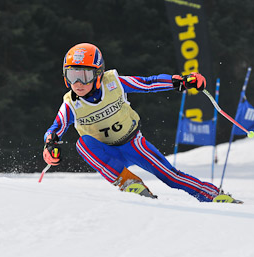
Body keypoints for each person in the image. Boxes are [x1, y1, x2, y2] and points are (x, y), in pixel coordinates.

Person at [43, 43, 242, 204]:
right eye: (72, 76)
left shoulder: (115, 84)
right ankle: (129, 182)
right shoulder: (70, 104)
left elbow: (148, 83)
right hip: (107, 152)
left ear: (98, 74)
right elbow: (55, 129)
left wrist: (180, 81)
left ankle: (214, 195)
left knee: (170, 177)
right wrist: (50, 145)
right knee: (82, 144)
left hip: (133, 144)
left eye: (84, 76)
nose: (77, 84)